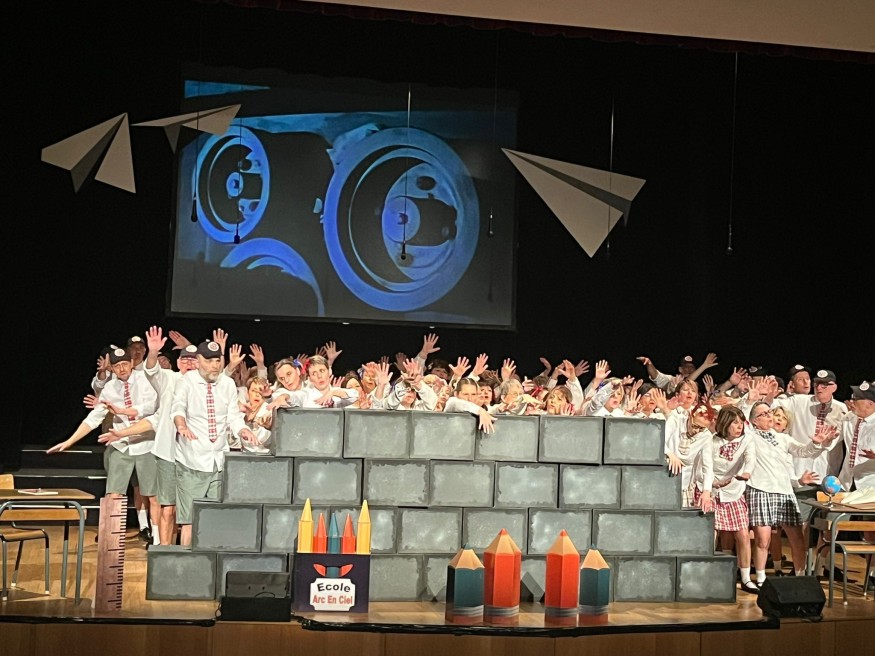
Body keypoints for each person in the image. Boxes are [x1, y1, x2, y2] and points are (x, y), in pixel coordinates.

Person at [48, 347, 160, 543]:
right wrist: (69, 441)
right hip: (121, 444)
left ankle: (157, 539)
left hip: (146, 443)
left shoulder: (145, 380)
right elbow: (94, 418)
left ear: (131, 363)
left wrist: (122, 411)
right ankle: (111, 536)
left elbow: (151, 407)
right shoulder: (110, 388)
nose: (122, 369)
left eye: (124, 364)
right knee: (114, 493)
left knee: (152, 494)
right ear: (112, 369)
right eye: (117, 366)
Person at [171, 340, 256, 546]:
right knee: (190, 520)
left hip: (218, 460)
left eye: (217, 361)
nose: (214, 366)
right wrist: (181, 426)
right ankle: (187, 561)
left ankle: (211, 559)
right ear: (198, 361)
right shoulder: (187, 382)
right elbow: (178, 408)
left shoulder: (227, 384)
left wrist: (242, 429)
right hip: (192, 460)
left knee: (215, 516)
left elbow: (233, 416)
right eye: (209, 361)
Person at [746, 401, 838, 586]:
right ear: (754, 421)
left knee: (797, 538)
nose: (769, 415)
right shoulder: (749, 437)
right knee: (763, 540)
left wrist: (817, 442)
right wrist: (749, 399)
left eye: (770, 412)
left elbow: (803, 451)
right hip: (760, 489)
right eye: (764, 414)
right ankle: (761, 579)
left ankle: (800, 577)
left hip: (785, 491)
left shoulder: (783, 438)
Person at [693, 405, 757, 593]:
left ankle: (745, 578)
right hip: (710, 488)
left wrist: (746, 473)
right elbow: (704, 469)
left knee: (743, 534)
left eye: (741, 422)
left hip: (733, 490)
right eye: (735, 423)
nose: (739, 426)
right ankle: (705, 575)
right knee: (710, 534)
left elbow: (750, 459)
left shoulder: (747, 439)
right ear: (725, 423)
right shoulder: (711, 441)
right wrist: (713, 485)